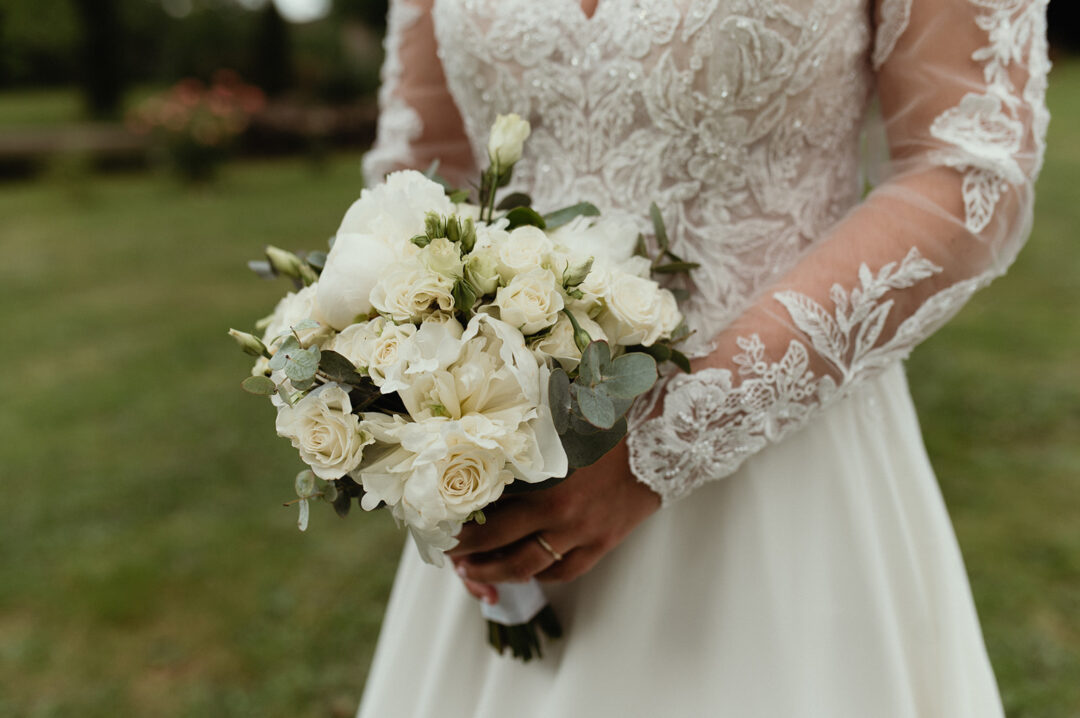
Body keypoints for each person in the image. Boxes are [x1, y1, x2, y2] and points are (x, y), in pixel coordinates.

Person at [357, 1, 1049, 716]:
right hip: (513, 460)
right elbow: (420, 173)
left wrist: (662, 447)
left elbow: (969, 169)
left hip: (783, 466)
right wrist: (428, 401)